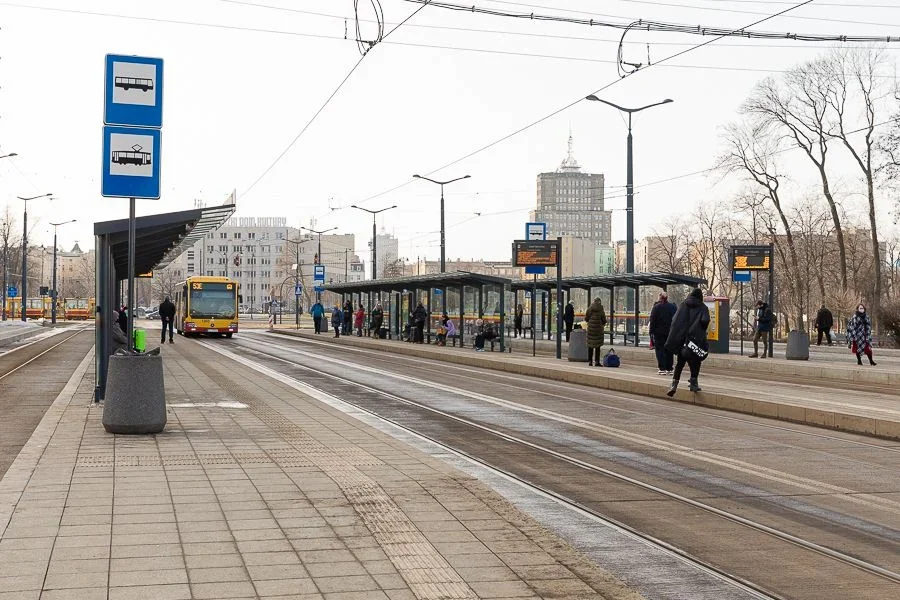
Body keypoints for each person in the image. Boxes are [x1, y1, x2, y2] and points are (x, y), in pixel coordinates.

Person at [665, 288, 711, 396]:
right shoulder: (703, 307)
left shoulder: (683, 305)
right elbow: (705, 320)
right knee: (696, 362)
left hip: (683, 341)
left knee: (679, 364)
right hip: (695, 341)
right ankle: (693, 383)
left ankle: (674, 385)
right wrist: (701, 328)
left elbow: (675, 320)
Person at [648, 292, 677, 375]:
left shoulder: (656, 308)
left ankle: (662, 368)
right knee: (669, 350)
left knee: (660, 350)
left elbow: (652, 321)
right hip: (670, 333)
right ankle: (669, 368)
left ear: (660, 298)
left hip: (658, 333)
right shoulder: (673, 307)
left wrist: (651, 332)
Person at [584, 297, 607, 367]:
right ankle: (597, 362)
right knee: (597, 346)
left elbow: (586, 318)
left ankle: (590, 361)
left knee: (590, 346)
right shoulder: (601, 310)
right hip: (598, 330)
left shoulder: (589, 309)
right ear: (600, 302)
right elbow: (604, 320)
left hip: (591, 329)